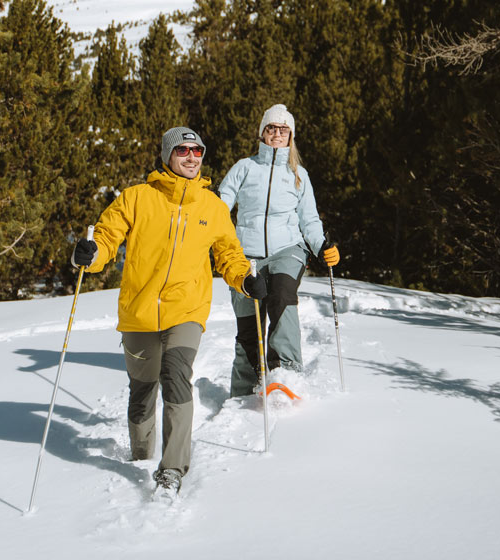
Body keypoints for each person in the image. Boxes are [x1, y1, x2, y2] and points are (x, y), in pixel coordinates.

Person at [71, 127, 266, 494]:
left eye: (197, 151)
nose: (191, 157)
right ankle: (141, 456)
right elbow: (106, 238)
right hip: (139, 311)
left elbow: (229, 255)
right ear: (167, 155)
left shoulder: (212, 207)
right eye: (183, 150)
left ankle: (172, 469)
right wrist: (90, 254)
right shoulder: (136, 198)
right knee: (142, 391)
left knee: (176, 376)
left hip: (186, 309)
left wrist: (244, 280)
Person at [218, 104, 340, 397]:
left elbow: (309, 218)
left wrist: (322, 246)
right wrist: (213, 233)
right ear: (262, 133)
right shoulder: (244, 168)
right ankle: (245, 389)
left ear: (290, 136)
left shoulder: (298, 174)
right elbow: (220, 205)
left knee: (282, 296)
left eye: (283, 130)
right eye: (271, 128)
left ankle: (286, 373)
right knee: (249, 323)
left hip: (288, 249)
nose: (277, 134)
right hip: (246, 255)